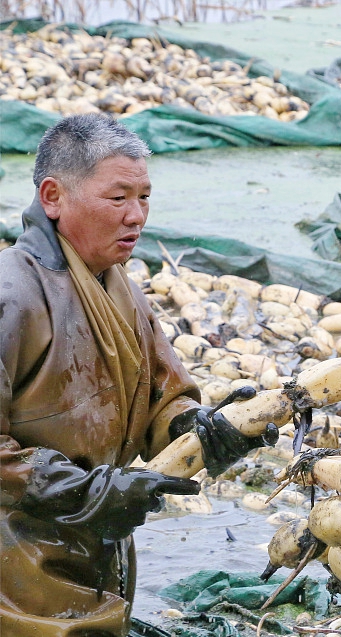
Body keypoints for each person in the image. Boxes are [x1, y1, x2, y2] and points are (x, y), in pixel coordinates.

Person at [0, 114, 277, 636]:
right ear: (53, 197)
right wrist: (85, 492)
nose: (137, 217)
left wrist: (197, 428)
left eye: (145, 198)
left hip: (97, 542)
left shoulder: (120, 287)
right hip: (16, 555)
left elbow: (160, 393)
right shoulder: (11, 296)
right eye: (118, 198)